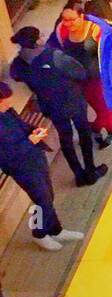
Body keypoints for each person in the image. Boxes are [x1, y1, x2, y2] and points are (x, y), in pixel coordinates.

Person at [9, 29, 107, 190]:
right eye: (40, 35)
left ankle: (78, 175)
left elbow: (16, 76)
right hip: (72, 100)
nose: (43, 37)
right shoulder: (54, 55)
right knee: (83, 132)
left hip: (50, 106)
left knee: (65, 138)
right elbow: (80, 72)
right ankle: (90, 170)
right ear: (36, 41)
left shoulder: (19, 64)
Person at [0, 84, 82, 252]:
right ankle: (39, 234)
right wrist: (30, 140)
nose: (9, 104)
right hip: (20, 166)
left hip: (34, 157)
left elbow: (22, 126)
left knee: (48, 195)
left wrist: (34, 131)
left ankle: (55, 230)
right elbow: (6, 156)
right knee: (41, 199)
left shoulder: (7, 112)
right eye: (4, 102)